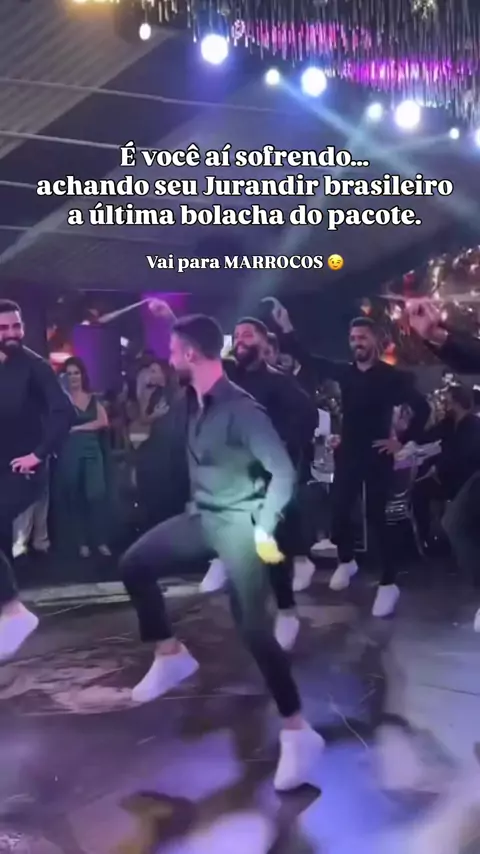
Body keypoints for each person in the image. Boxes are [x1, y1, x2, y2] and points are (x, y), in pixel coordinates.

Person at [120, 314, 325, 791]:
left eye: (174, 351)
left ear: (191, 354)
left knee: (253, 630)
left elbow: (283, 473)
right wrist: (171, 320)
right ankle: (170, 653)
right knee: (135, 564)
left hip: (240, 526)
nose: (169, 359)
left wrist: (264, 527)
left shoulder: (242, 410)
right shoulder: (194, 400)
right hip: (203, 519)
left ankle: (298, 731)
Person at [269, 299, 430, 617]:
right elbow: (308, 359)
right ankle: (347, 560)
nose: (357, 343)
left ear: (375, 341)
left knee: (377, 517)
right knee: (338, 510)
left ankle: (388, 583)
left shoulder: (392, 377)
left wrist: (400, 441)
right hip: (349, 451)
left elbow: (422, 409)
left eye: (362, 338)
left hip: (377, 452)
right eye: (353, 338)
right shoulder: (345, 372)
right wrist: (286, 327)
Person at [0, 299, 74, 659]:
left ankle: (13, 609)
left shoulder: (36, 367)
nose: (12, 333)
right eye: (3, 328)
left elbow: (64, 412)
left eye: (16, 326)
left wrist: (39, 454)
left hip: (23, 469)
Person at [55, 357, 111, 558]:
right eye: (69, 374)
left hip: (92, 450)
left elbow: (103, 422)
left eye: (76, 373)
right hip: (71, 451)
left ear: (82, 375)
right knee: (76, 496)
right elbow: (58, 426)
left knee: (96, 495)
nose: (73, 377)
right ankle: (82, 543)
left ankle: (100, 541)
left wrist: (78, 428)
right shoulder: (62, 400)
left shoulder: (92, 398)